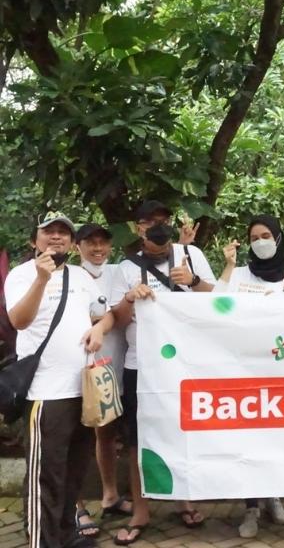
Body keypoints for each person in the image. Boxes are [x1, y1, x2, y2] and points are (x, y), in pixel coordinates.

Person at [109, 200, 216, 546]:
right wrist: (129, 298)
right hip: (139, 367)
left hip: (186, 366)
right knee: (138, 440)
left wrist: (194, 281)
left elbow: (218, 302)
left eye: (161, 220)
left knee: (184, 431)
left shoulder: (191, 255)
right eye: (147, 222)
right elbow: (118, 321)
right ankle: (141, 510)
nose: (155, 226)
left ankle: (185, 498)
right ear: (137, 228)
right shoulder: (124, 268)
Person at [5, 212, 115, 548]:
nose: (57, 238)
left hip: (82, 391)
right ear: (34, 240)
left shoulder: (80, 276)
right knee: (46, 477)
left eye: (63, 233)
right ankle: (43, 540)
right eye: (49, 232)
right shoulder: (21, 275)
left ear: (71, 241)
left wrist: (99, 328)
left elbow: (105, 314)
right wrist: (41, 279)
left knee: (74, 471)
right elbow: (18, 321)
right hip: (44, 393)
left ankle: (67, 535)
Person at [216, 215, 284, 537]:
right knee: (247, 440)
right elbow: (215, 305)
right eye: (254, 237)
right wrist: (227, 266)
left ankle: (274, 496)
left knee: (276, 437)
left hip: (278, 372)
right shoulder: (237, 275)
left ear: (278, 238)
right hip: (242, 372)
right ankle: (251, 507)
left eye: (266, 235)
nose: (260, 241)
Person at [72, 224, 133, 537]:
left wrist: (103, 318)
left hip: (114, 367)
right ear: (77, 246)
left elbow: (120, 313)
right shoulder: (70, 274)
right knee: (78, 438)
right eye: (90, 243)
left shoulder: (119, 271)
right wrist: (104, 317)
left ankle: (110, 495)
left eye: (103, 243)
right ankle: (76, 506)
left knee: (106, 434)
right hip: (79, 367)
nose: (97, 249)